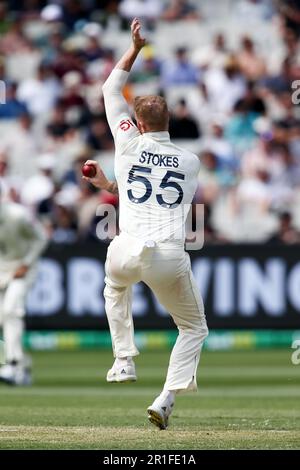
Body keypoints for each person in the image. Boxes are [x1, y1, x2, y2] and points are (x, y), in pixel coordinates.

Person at [82, 18, 208, 430]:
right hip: (167, 254)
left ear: (136, 124)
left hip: (126, 246)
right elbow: (153, 188)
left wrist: (134, 49)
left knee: (114, 286)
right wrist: (111, 183)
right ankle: (166, 397)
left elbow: (109, 89)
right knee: (193, 327)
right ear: (168, 122)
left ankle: (123, 361)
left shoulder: (127, 141)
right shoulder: (191, 163)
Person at [0, 193, 48, 385]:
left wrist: (26, 263)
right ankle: (22, 366)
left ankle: (13, 363)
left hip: (24, 268)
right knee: (4, 317)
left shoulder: (17, 214)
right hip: (2, 269)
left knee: (12, 310)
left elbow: (41, 238)